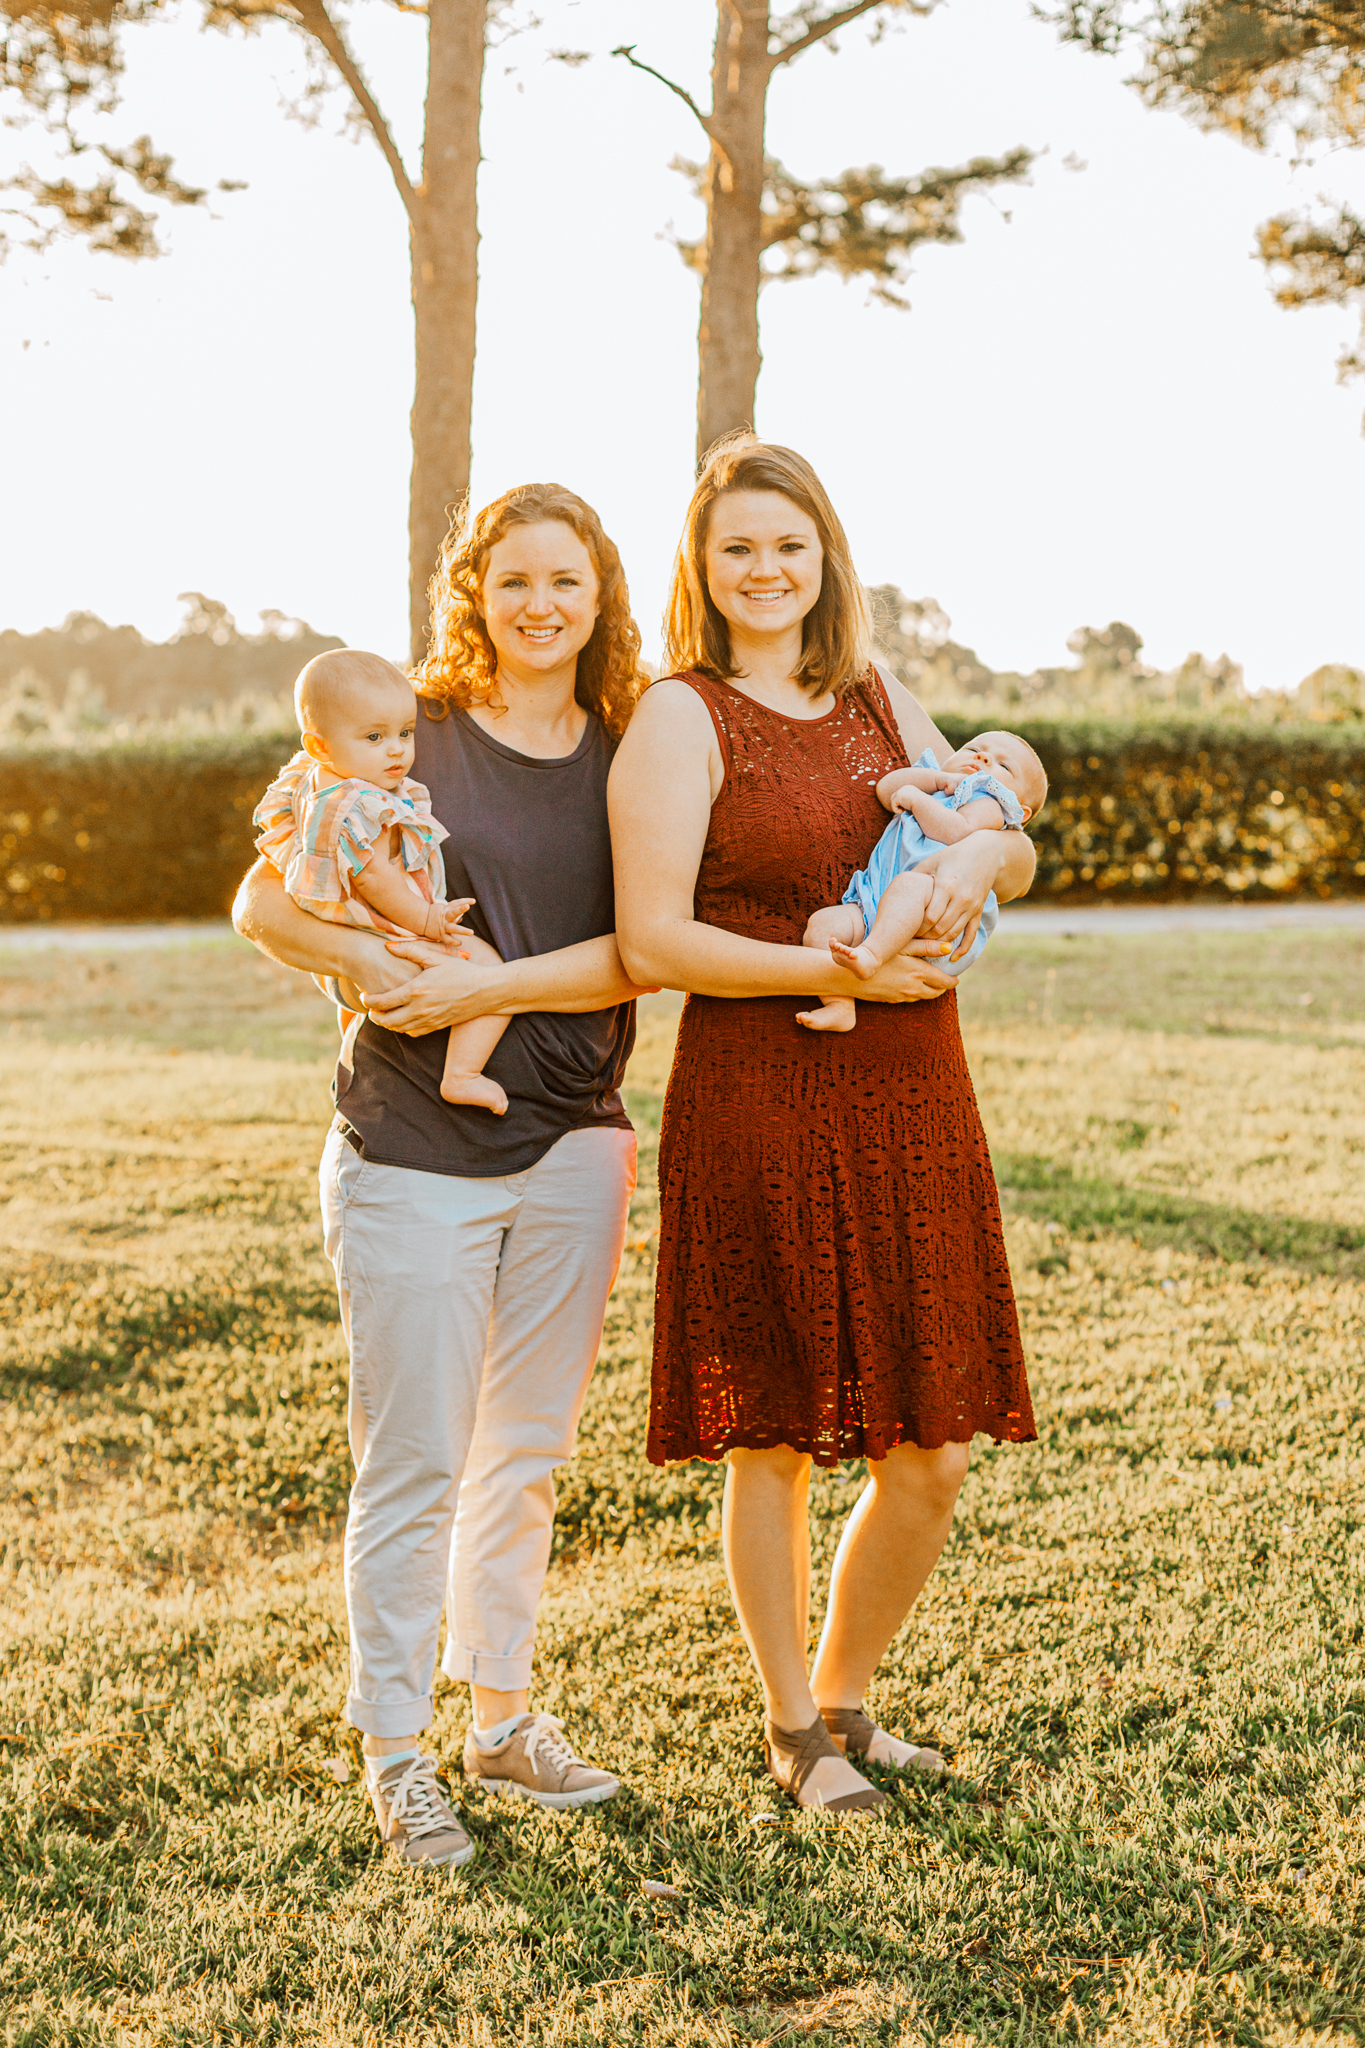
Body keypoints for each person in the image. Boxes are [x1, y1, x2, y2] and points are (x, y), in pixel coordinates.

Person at [610, 437, 1038, 1815]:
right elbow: (652, 936)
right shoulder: (681, 715)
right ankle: (793, 1729)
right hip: (761, 1093)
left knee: (934, 1441)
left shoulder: (872, 692)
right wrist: (833, 971)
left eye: (787, 544)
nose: (766, 569)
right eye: (738, 548)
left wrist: (980, 854)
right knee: (778, 1433)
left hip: (914, 1091)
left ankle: (848, 1697)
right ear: (703, 569)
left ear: (824, 556)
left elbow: (1002, 833)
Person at [233, 483, 650, 1867]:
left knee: (522, 1458)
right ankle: (396, 1751)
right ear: (475, 587)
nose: (542, 605)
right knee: (412, 1461)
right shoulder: (399, 727)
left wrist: (492, 983)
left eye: (567, 582)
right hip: (411, 1151)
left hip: (575, 1138)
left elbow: (642, 950)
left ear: (601, 597)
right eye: (514, 579)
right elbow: (260, 896)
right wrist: (360, 962)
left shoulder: (633, 746)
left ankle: (503, 1719)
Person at [252, 647, 511, 1111]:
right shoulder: (357, 805)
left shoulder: (317, 782)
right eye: (374, 737)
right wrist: (429, 919)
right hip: (389, 927)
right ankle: (464, 1073)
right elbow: (375, 879)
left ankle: (354, 1039)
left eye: (405, 733)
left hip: (353, 929)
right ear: (320, 746)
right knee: (490, 971)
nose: (396, 749)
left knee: (357, 1010)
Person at [797, 727, 1048, 1031]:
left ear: (1020, 812)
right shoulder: (934, 782)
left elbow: (957, 830)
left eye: (1004, 766)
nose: (983, 757)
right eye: (973, 749)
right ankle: (839, 1002)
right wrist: (935, 781)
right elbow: (887, 789)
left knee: (909, 884)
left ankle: (872, 955)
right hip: (873, 906)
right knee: (822, 926)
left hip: (935, 916)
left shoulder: (991, 803)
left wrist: (917, 799)